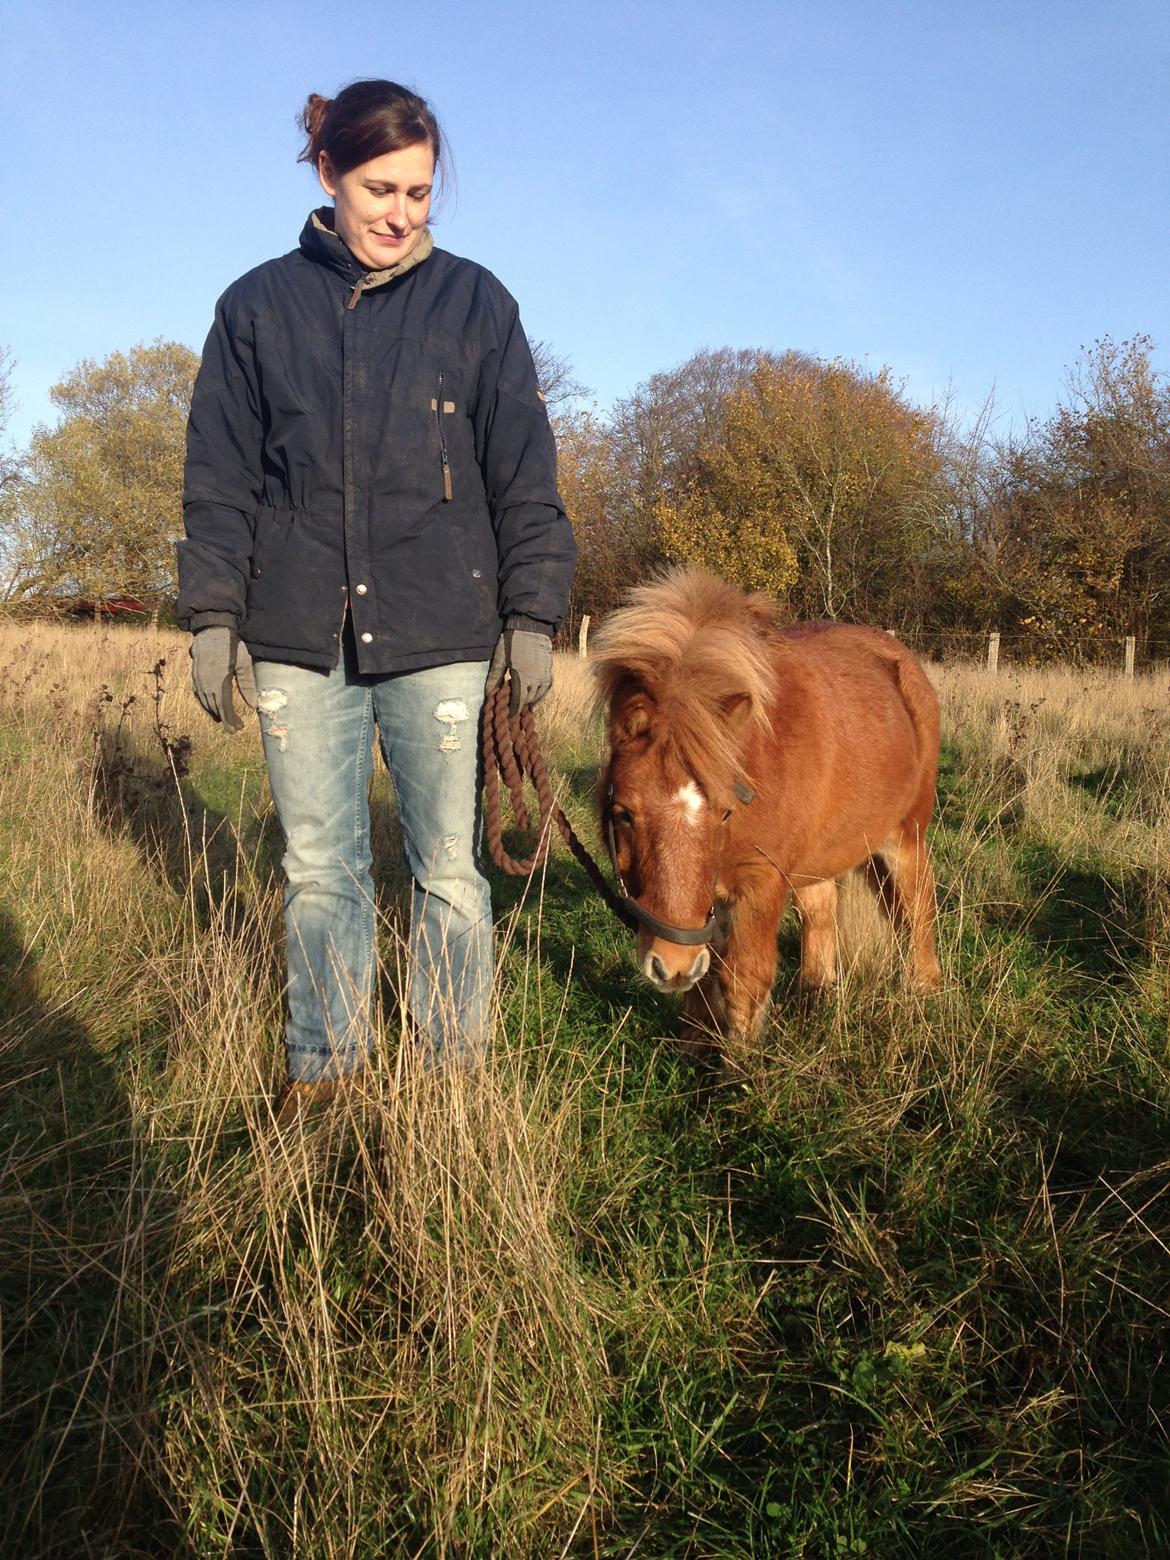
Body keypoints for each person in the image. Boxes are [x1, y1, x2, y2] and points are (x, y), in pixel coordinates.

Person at [177, 79, 576, 1123]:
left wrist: (532, 616)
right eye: (380, 187)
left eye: (421, 193)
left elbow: (525, 474)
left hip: (444, 623)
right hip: (296, 632)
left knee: (447, 869)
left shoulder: (477, 304)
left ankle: (450, 1074)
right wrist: (213, 614)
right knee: (319, 869)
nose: (401, 213)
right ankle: (328, 1066)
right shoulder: (255, 309)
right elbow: (218, 479)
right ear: (327, 175)